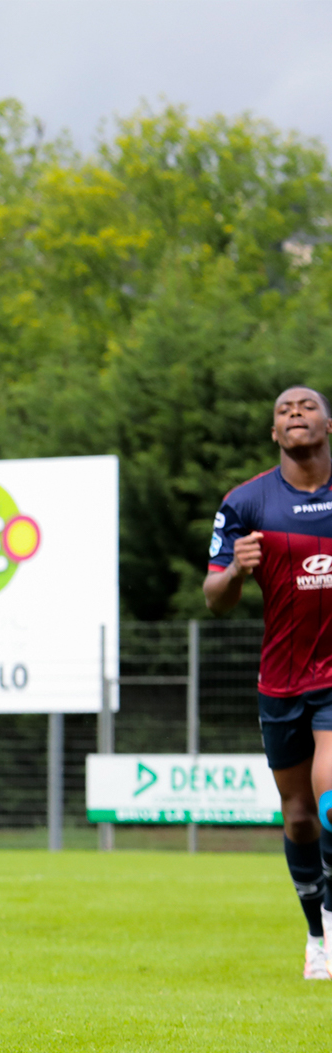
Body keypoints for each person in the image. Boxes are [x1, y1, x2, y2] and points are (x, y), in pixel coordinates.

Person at [206, 384, 332, 982]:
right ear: (274, 433)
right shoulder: (245, 503)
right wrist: (236, 568)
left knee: (331, 796)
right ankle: (317, 935)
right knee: (299, 816)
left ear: (328, 424)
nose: (296, 413)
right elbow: (215, 599)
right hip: (281, 680)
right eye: (284, 410)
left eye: (307, 406)